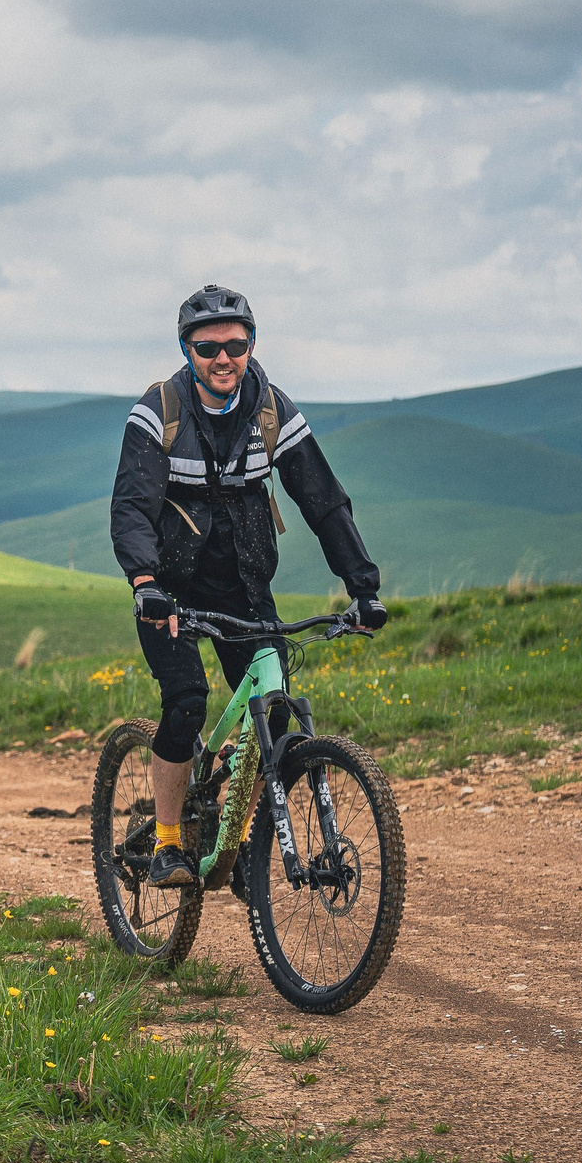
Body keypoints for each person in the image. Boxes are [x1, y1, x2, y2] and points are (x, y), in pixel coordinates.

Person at [110, 285, 387, 890]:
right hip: (170, 588)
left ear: (252, 345)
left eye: (236, 345)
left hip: (243, 585)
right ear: (187, 350)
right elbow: (132, 507)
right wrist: (146, 582)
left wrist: (362, 587)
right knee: (186, 702)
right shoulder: (159, 412)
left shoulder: (272, 411)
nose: (223, 358)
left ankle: (236, 844)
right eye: (208, 347)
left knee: (275, 712)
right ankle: (166, 844)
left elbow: (323, 502)